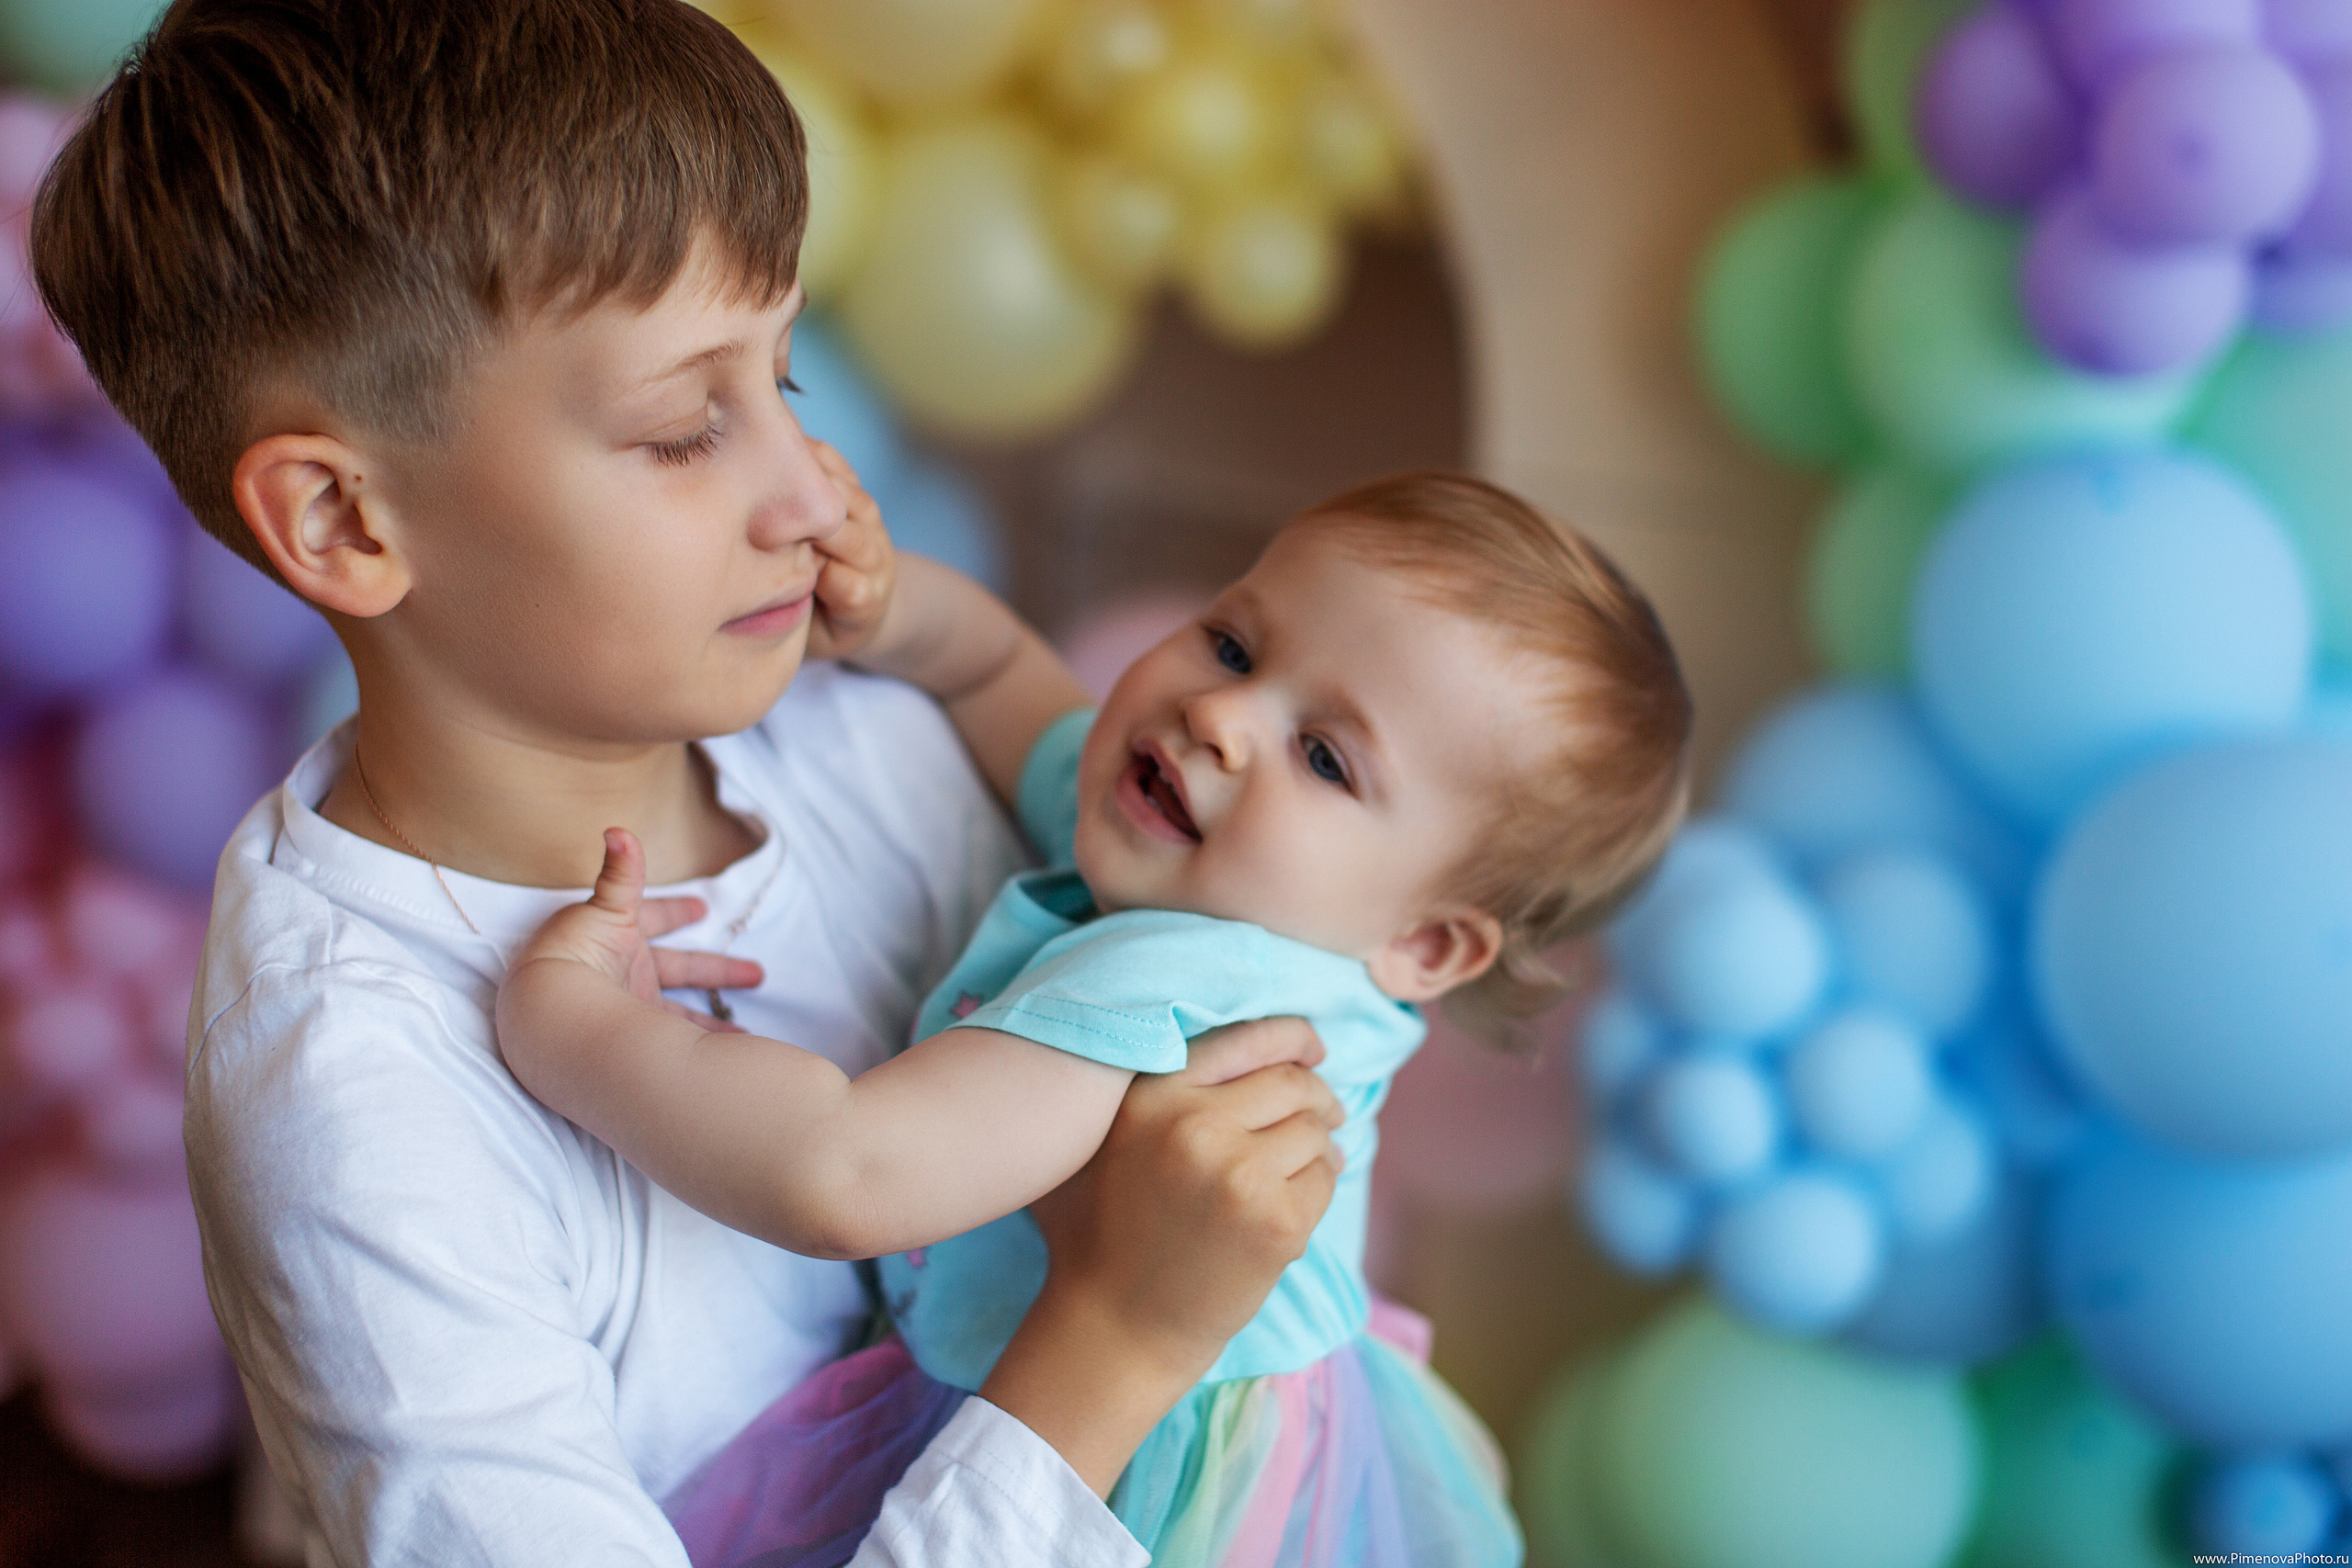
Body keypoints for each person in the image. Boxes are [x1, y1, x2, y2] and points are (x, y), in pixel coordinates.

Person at [29, 2, 1351, 1562]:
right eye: (680, 430)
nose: (810, 496)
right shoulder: (359, 1117)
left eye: (786, 378)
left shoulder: (875, 739)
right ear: (344, 523)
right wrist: (1117, 1344)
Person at [499, 472, 1694, 1566]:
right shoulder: (1212, 851)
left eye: (1326, 759)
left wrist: (576, 1028)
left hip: (1130, 1488)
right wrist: (894, 609)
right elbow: (997, 677)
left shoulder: (1194, 975)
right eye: (1234, 644)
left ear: (1426, 946)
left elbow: (843, 1170)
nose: (1221, 716)